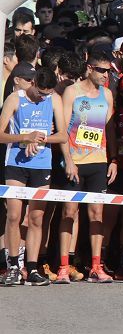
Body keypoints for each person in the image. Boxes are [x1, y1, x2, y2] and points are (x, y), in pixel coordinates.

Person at [56, 49, 117, 284]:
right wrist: (68, 160)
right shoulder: (72, 92)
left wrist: (113, 160)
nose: (105, 75)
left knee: (97, 213)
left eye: (108, 71)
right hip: (75, 162)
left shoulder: (107, 94)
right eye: (101, 70)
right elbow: (63, 130)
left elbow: (109, 129)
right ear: (89, 68)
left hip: (98, 161)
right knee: (69, 212)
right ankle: (63, 266)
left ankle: (95, 266)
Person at [1, 66, 66, 286]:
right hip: (16, 162)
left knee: (37, 217)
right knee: (14, 215)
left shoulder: (54, 99)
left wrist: (40, 140)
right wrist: (25, 137)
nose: (43, 98)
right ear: (33, 82)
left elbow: (63, 136)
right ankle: (12, 266)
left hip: (41, 164)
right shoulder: (15, 98)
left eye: (47, 94)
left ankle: (32, 267)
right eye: (40, 92)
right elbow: (0, 134)